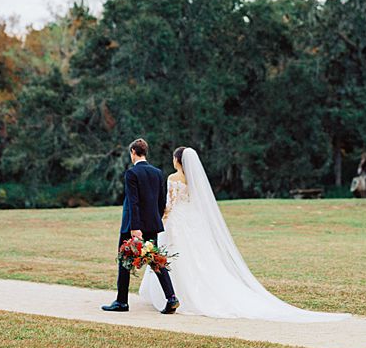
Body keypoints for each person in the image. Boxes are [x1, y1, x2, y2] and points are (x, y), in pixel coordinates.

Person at [139, 147, 349, 322]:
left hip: (177, 219)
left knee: (175, 255)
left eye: (174, 158)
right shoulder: (194, 181)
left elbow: (171, 203)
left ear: (177, 160)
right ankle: (185, 293)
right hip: (192, 220)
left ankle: (175, 295)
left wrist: (163, 217)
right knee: (198, 256)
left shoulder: (173, 178)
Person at [101, 138, 180, 314]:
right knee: (155, 260)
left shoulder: (132, 174)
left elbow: (133, 202)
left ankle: (122, 301)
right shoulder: (157, 172)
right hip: (152, 224)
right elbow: (161, 201)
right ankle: (172, 298)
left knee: (124, 260)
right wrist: (154, 220)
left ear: (133, 153)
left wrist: (135, 228)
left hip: (133, 226)